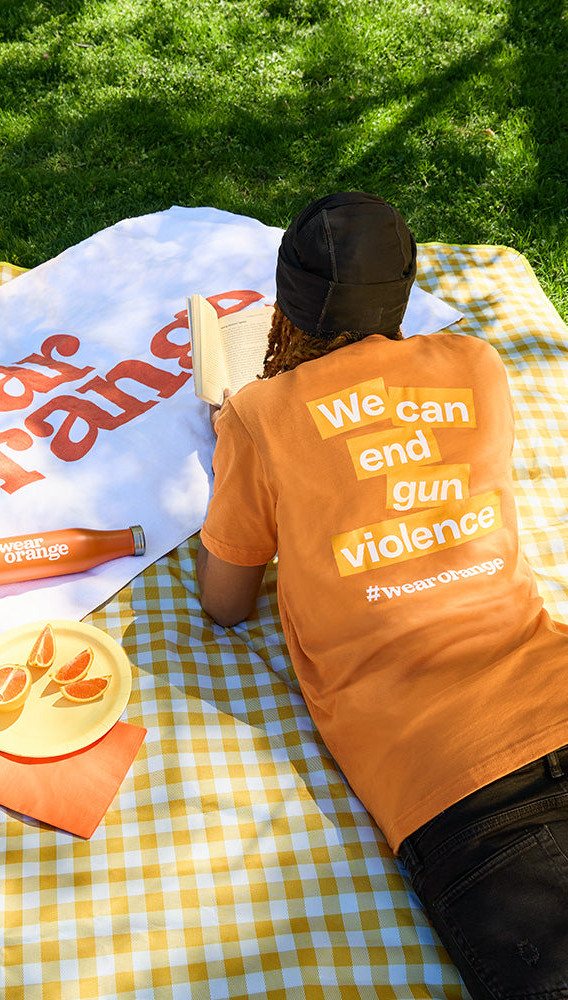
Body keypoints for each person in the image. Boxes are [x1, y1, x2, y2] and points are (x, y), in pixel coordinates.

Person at [196, 191, 568, 1000]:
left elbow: (225, 601)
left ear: (282, 309)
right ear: (403, 293)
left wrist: (238, 447)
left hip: (454, 786)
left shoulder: (258, 415)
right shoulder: (478, 363)